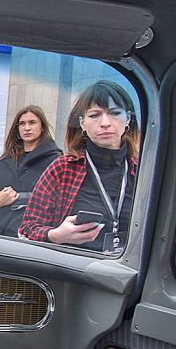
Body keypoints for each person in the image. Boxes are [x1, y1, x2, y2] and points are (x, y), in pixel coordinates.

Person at [19, 81, 139, 253]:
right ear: (82, 123)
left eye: (115, 113)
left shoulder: (142, 172)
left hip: (126, 267)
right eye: (94, 115)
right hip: (73, 266)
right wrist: (55, 235)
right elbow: (27, 228)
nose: (105, 122)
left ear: (128, 119)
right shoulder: (63, 168)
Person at [0, 106, 60, 237]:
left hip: (30, 233)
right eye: (22, 124)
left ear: (42, 127)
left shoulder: (55, 160)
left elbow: (54, 198)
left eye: (32, 122)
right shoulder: (6, 159)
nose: (27, 128)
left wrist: (14, 198)